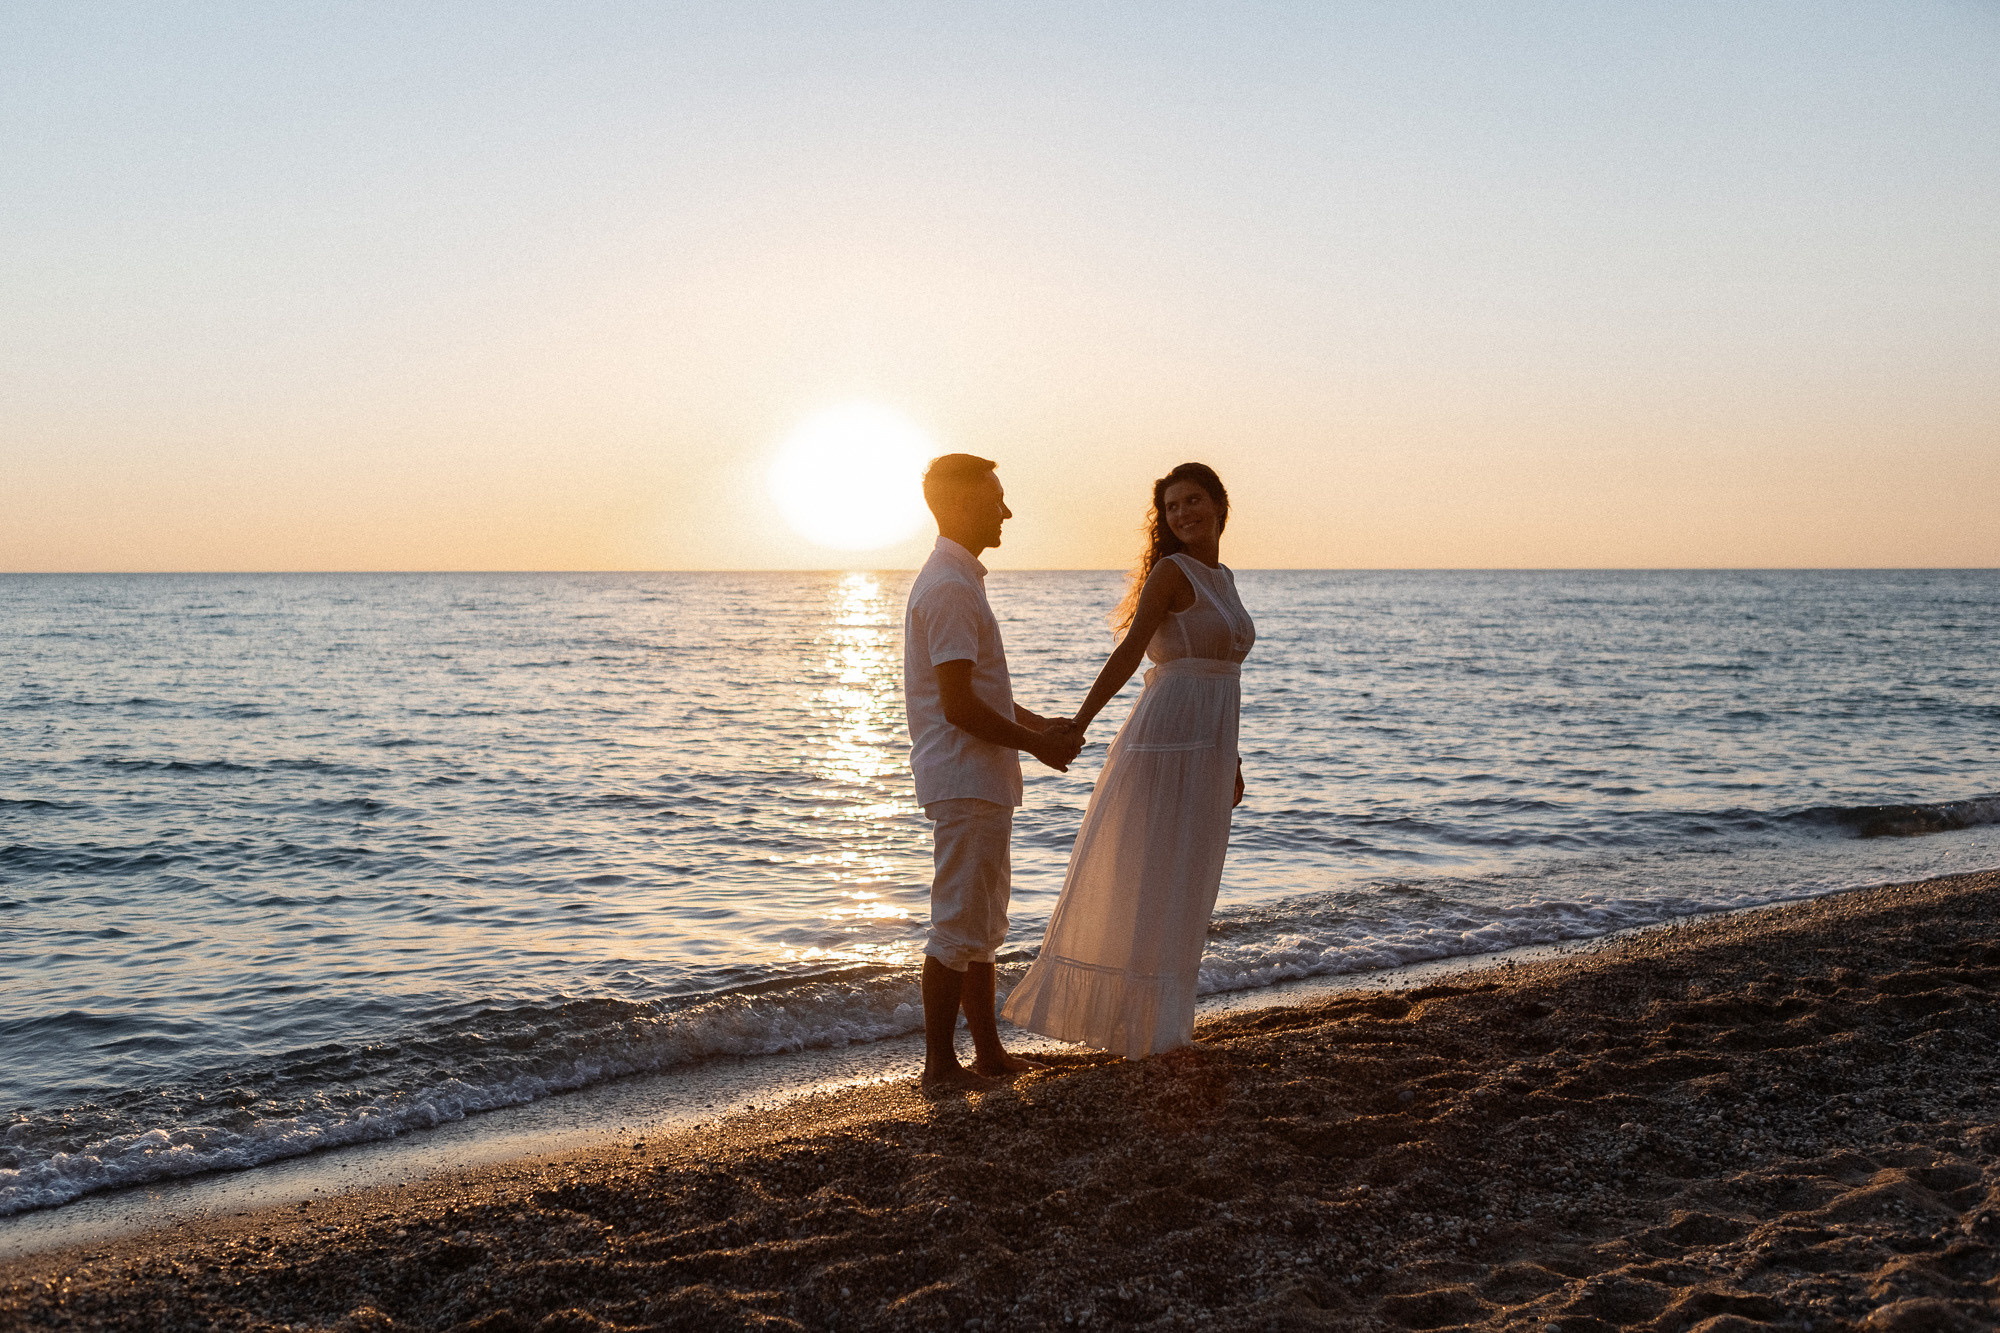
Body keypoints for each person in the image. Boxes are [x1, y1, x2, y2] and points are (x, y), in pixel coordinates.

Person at [1000, 462, 1255, 1057]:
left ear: (1219, 505)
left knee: (1189, 878)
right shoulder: (1172, 573)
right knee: (1151, 875)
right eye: (1172, 506)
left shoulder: (1224, 578)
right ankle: (1137, 1031)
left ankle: (1164, 1026)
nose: (1183, 513)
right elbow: (1130, 652)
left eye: (1193, 500)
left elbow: (1220, 678)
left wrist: (1233, 758)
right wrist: (1079, 723)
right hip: (1163, 743)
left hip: (1209, 747)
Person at [903, 453, 1084, 1095]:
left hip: (977, 777)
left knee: (981, 927)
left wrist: (1038, 725)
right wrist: (1036, 745)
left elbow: (982, 691)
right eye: (994, 498)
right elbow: (958, 704)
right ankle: (938, 1067)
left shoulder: (958, 579)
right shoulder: (949, 587)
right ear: (960, 504)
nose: (1006, 511)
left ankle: (987, 1053)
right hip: (964, 775)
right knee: (958, 924)